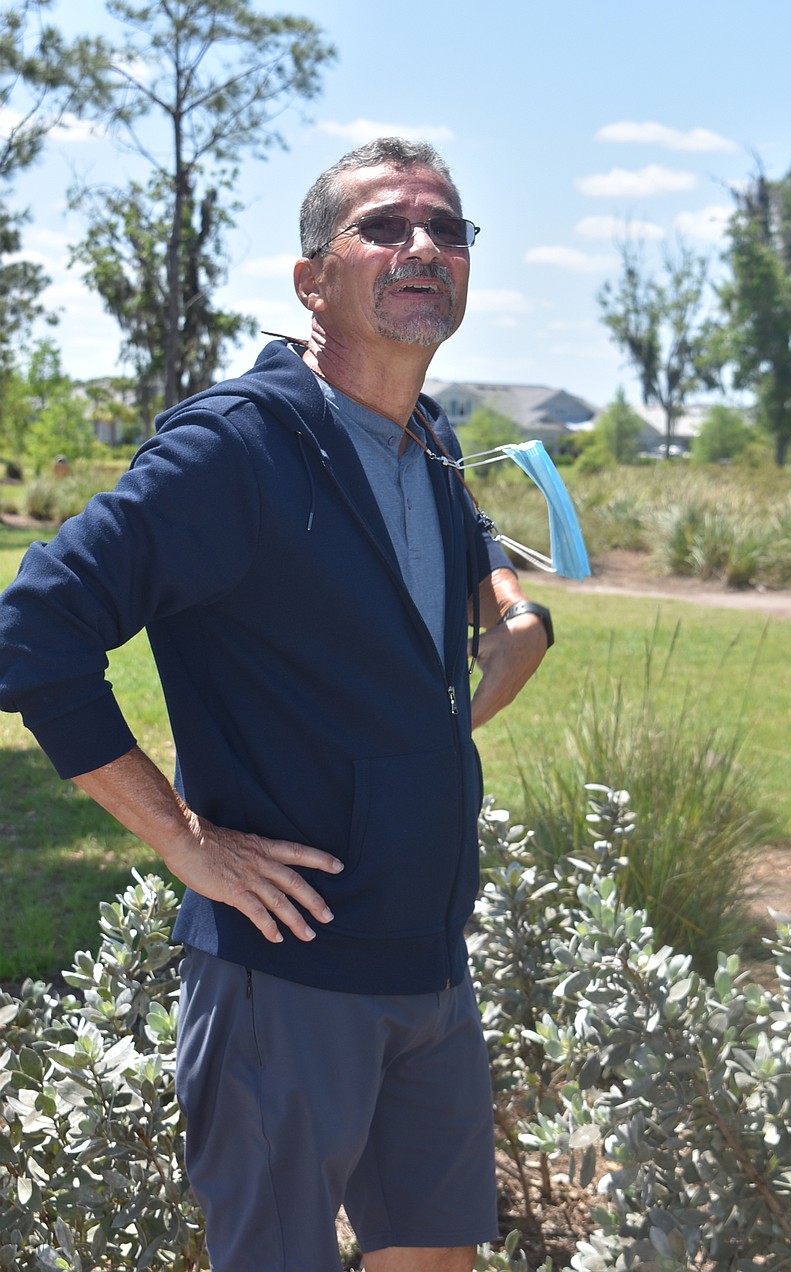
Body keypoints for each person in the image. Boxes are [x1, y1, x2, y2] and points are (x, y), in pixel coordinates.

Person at [0, 137, 554, 1271]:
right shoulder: (235, 450)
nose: (423, 248)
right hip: (286, 971)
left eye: (447, 229)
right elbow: (34, 627)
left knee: (436, 1257)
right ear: (312, 280)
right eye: (385, 226)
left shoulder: (429, 437)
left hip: (427, 962)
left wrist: (505, 605)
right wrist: (184, 839)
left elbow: (432, 547)